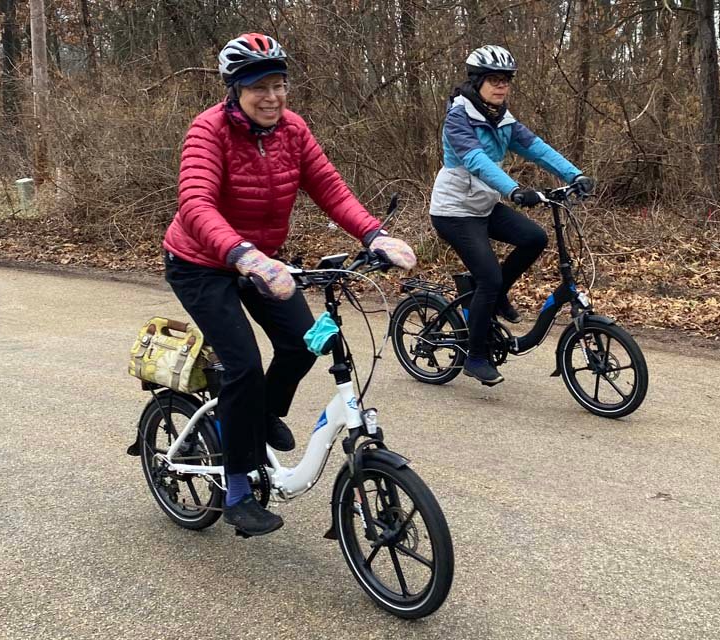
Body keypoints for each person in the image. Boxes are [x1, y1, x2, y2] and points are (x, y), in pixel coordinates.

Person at [162, 33, 416, 537]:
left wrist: (375, 235)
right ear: (236, 89)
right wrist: (243, 254)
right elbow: (195, 204)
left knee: (304, 343)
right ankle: (237, 489)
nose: (273, 97)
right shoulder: (208, 131)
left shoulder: (293, 130)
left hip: (263, 263)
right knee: (243, 365)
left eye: (279, 85)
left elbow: (330, 189)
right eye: (259, 87)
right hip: (201, 263)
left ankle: (257, 419)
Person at [429, 45, 594, 387]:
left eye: (506, 80)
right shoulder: (458, 118)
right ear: (476, 82)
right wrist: (514, 190)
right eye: (494, 79)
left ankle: (494, 295)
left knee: (534, 238)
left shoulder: (502, 119)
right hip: (454, 212)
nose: (501, 86)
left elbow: (537, 148)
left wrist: (574, 174)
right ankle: (475, 357)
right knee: (489, 278)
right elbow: (475, 160)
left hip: (483, 206)